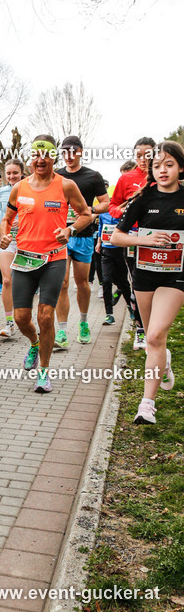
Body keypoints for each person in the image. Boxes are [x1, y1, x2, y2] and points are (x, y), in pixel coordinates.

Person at [0, 137, 92, 392]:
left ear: (54, 158)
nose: (41, 160)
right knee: (20, 318)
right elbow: (7, 219)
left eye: (47, 155)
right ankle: (34, 344)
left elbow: (86, 214)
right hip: (25, 259)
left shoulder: (67, 185)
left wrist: (70, 230)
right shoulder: (19, 188)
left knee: (46, 316)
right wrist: (5, 234)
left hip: (53, 258)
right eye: (36, 155)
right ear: (31, 158)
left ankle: (44, 371)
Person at [111, 141, 184, 424]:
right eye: (157, 166)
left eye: (169, 164)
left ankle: (146, 405)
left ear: (180, 167)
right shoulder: (144, 199)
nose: (163, 170)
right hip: (144, 274)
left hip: (175, 277)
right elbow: (117, 237)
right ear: (150, 170)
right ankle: (162, 358)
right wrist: (145, 240)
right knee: (155, 338)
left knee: (153, 336)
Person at [54, 136, 110, 347]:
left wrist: (90, 211)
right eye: (65, 151)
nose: (69, 155)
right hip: (61, 235)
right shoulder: (57, 175)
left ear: (80, 152)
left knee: (82, 283)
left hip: (84, 235)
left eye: (73, 151)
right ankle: (61, 331)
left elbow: (106, 203)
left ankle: (84, 323)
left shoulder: (93, 176)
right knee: (62, 283)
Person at [109, 138, 156, 350]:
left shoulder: (162, 177)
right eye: (139, 155)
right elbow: (113, 205)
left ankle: (154, 327)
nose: (143, 159)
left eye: (148, 155)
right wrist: (121, 213)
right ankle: (140, 330)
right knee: (137, 285)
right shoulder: (127, 178)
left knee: (157, 287)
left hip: (159, 240)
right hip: (132, 239)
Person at [0, 159, 24, 339]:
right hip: (5, 237)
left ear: (22, 173)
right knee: (6, 280)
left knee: (21, 281)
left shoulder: (29, 189)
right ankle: (9, 322)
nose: (12, 176)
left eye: (15, 173)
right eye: (9, 173)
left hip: (25, 239)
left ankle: (25, 318)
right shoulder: (1, 190)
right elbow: (2, 212)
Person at [96, 205, 134, 326]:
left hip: (120, 252)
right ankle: (109, 315)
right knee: (106, 281)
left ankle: (130, 307)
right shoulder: (103, 214)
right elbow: (101, 228)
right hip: (106, 252)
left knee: (123, 283)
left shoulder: (124, 213)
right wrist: (99, 243)